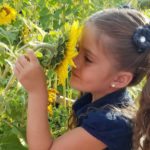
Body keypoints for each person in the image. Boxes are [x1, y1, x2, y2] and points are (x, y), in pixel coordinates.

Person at [13, 8, 150, 150]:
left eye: (88, 59)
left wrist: (37, 91)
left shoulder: (110, 124)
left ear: (120, 79)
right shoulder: (103, 104)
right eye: (77, 48)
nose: (73, 60)